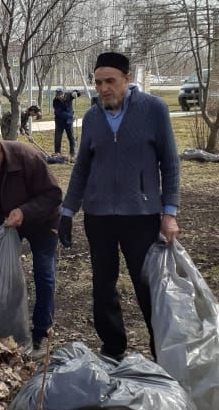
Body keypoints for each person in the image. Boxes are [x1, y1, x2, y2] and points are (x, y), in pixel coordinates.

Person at [58, 51, 181, 360]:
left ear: (128, 80)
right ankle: (113, 350)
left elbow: (170, 163)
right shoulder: (93, 117)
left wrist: (169, 213)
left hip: (141, 215)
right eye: (98, 82)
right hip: (99, 216)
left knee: (147, 288)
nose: (103, 89)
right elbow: (82, 167)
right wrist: (67, 211)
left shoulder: (154, 110)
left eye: (110, 81)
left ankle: (162, 351)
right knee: (103, 288)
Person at [0, 126, 62, 358]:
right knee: (0, 273)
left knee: (44, 274)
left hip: (44, 220)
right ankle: (8, 329)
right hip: (8, 222)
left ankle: (42, 334)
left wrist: (25, 211)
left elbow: (53, 194)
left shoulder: (26, 157)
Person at [52, 87, 83, 156]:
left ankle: (72, 152)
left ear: (63, 94)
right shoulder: (55, 101)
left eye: (60, 95)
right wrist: (71, 116)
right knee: (58, 136)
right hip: (59, 121)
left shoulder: (69, 95)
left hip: (69, 121)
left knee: (71, 136)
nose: (59, 97)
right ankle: (57, 152)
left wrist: (76, 92)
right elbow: (59, 113)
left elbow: (78, 93)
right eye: (57, 96)